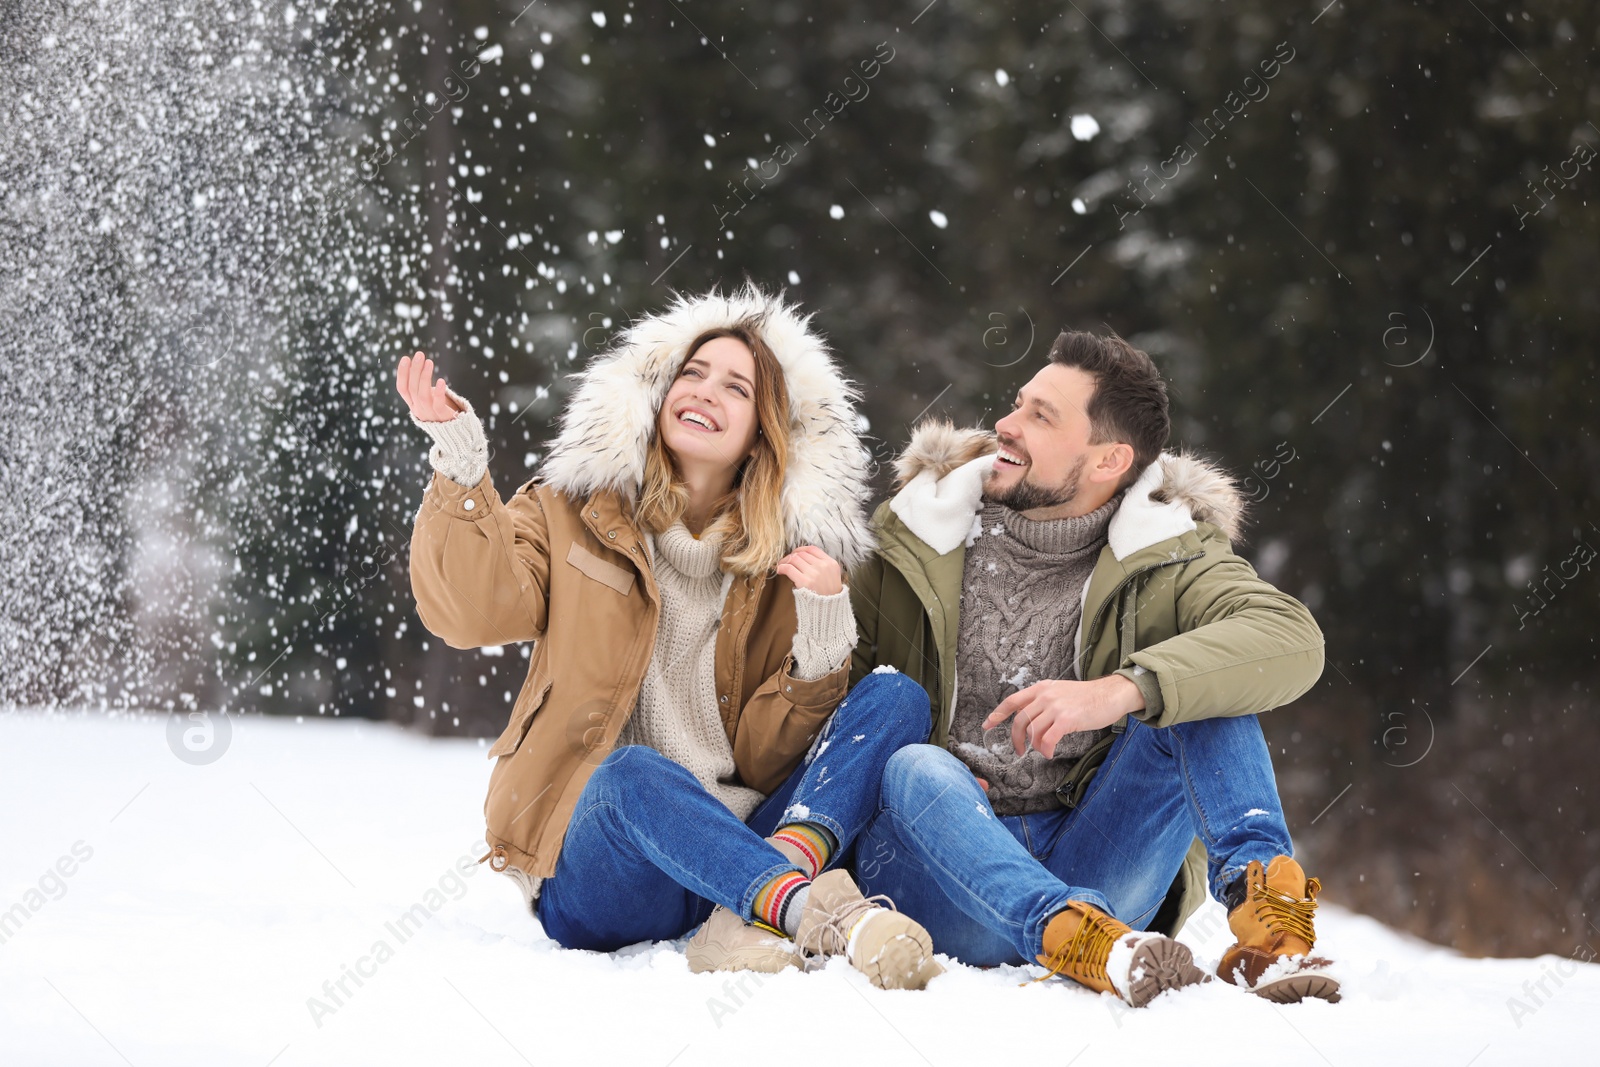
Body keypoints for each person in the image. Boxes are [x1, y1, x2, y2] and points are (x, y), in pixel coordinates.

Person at [397, 285, 941, 989]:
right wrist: (462, 468)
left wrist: (824, 627)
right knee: (631, 772)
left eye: (736, 386)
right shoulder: (569, 511)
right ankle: (801, 906)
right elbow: (470, 613)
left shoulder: (784, 564)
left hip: (739, 841)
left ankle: (750, 903)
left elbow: (763, 754)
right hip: (610, 864)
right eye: (693, 372)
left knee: (894, 697)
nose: (707, 391)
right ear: (656, 396)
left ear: (762, 435)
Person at [844, 329, 1338, 1006]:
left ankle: (1270, 935)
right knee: (915, 767)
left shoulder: (1168, 553)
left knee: (1199, 693)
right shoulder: (915, 535)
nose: (1005, 426)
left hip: (1099, 876)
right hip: (938, 876)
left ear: (1110, 459)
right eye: (1018, 404)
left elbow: (1290, 638)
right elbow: (845, 715)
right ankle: (1055, 925)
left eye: (1040, 416)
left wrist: (1122, 689)